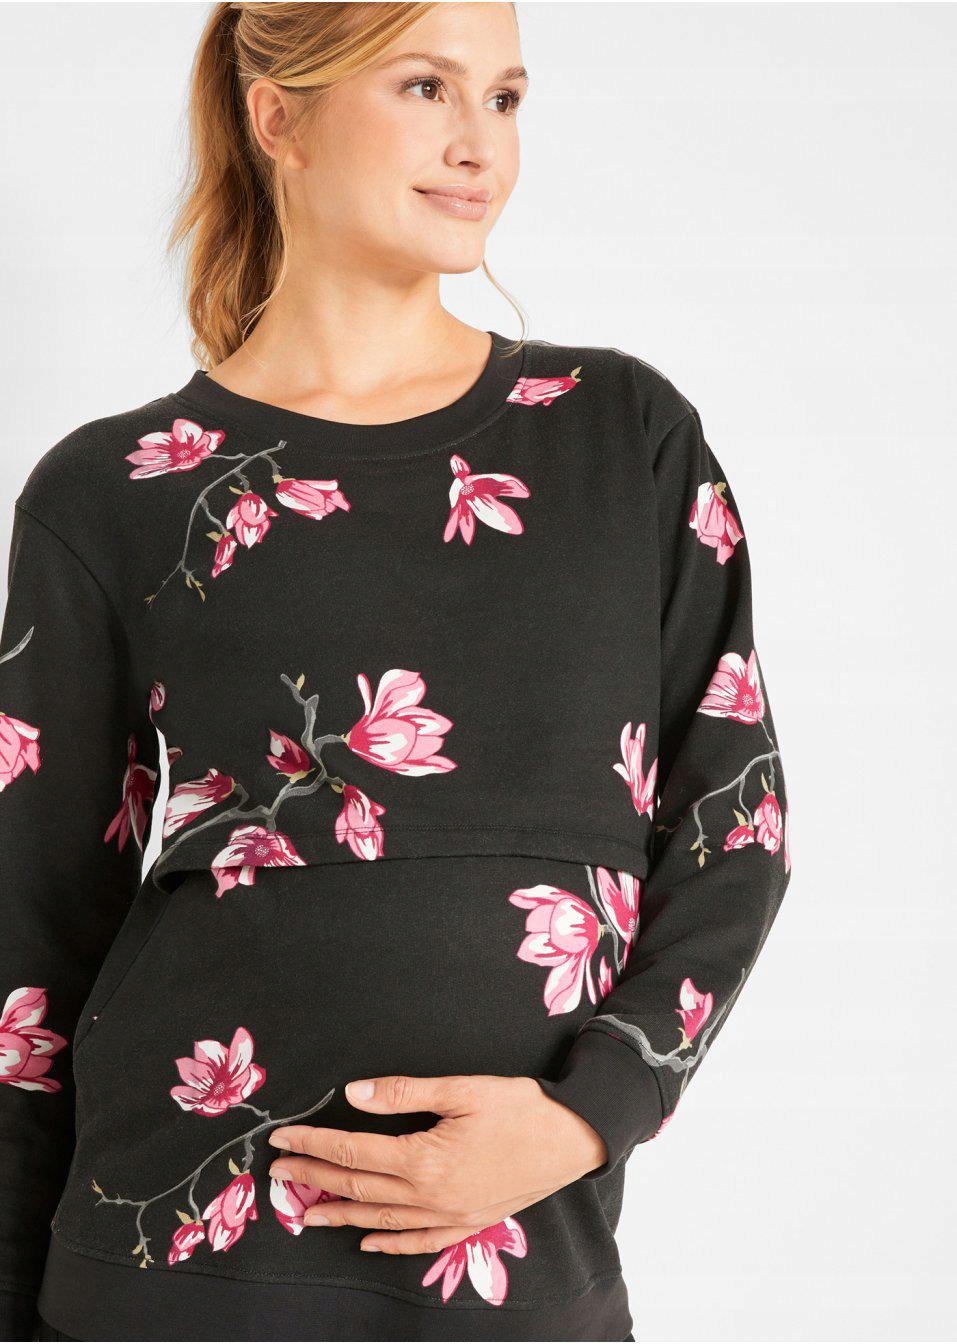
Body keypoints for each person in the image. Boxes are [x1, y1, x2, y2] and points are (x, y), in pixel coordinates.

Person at [0, 2, 793, 1340]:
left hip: (516, 1273)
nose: (479, 143)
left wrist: (583, 1120)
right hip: (170, 1275)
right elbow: (27, 947)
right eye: (426, 86)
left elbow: (736, 826)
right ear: (279, 117)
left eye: (505, 98)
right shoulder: (116, 489)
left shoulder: (621, 437)